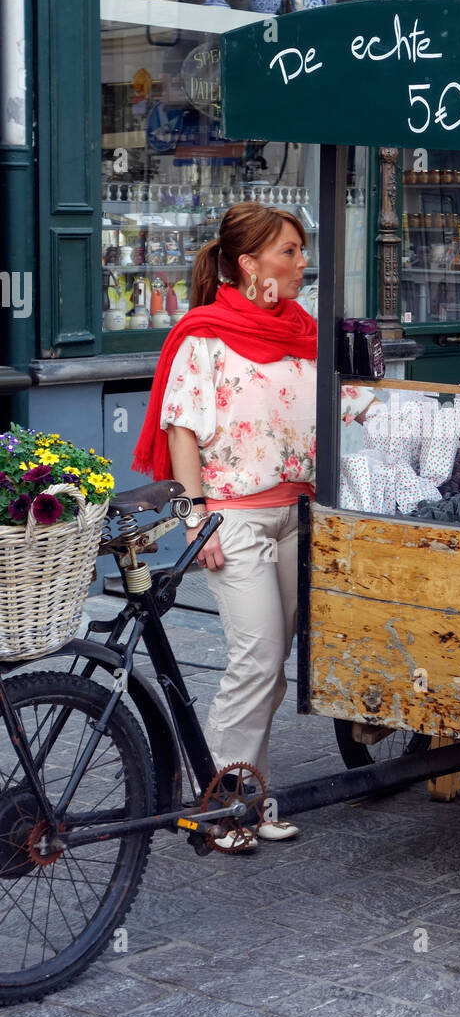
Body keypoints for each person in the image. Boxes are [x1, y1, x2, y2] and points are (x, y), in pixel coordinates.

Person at [133, 202, 374, 851]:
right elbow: (179, 426)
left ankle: (249, 794)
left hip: (295, 513)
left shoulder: (302, 329)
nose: (301, 263)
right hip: (232, 515)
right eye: (289, 252)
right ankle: (219, 805)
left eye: (301, 251)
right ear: (249, 264)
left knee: (271, 668)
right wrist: (193, 519)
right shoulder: (204, 333)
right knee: (256, 659)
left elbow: (336, 408)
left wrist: (377, 399)